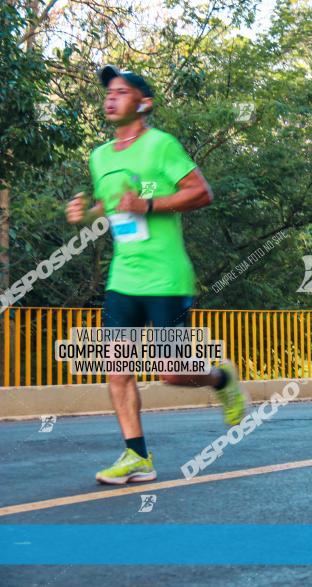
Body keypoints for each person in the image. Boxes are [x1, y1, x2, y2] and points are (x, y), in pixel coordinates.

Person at [65, 65, 248, 485]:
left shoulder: (161, 146)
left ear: (143, 104)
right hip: (123, 278)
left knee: (171, 371)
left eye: (122, 92)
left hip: (166, 277)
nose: (111, 98)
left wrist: (148, 205)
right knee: (117, 365)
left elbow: (201, 192)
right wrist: (87, 213)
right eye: (109, 92)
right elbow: (111, 205)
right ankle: (137, 456)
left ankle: (220, 377)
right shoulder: (100, 157)